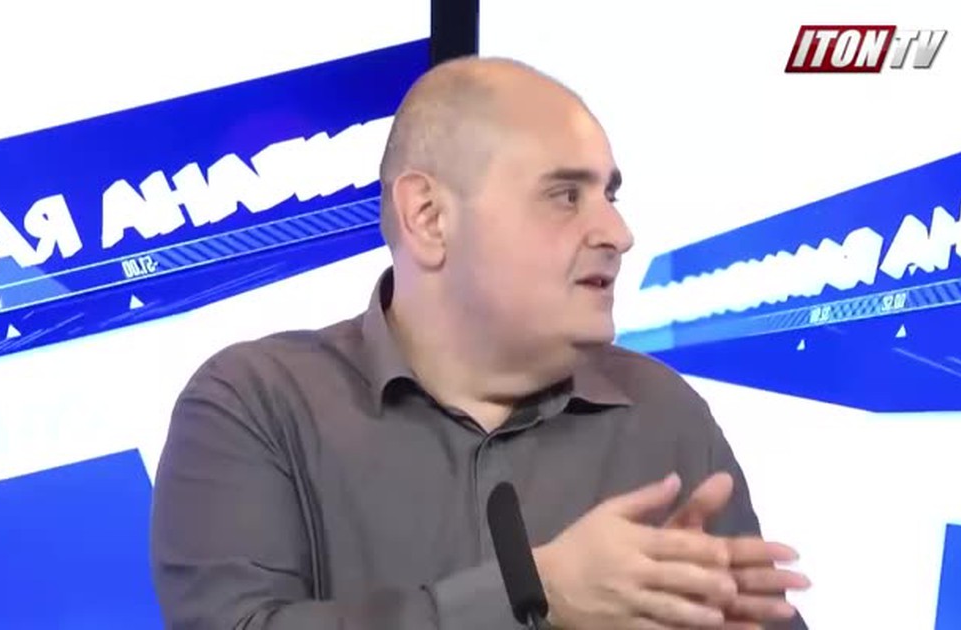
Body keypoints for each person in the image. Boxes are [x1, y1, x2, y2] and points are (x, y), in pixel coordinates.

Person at [149, 56, 811, 629]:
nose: (617, 232)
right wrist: (535, 594)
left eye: (609, 194)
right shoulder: (257, 404)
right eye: (565, 195)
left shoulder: (662, 413)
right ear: (429, 218)